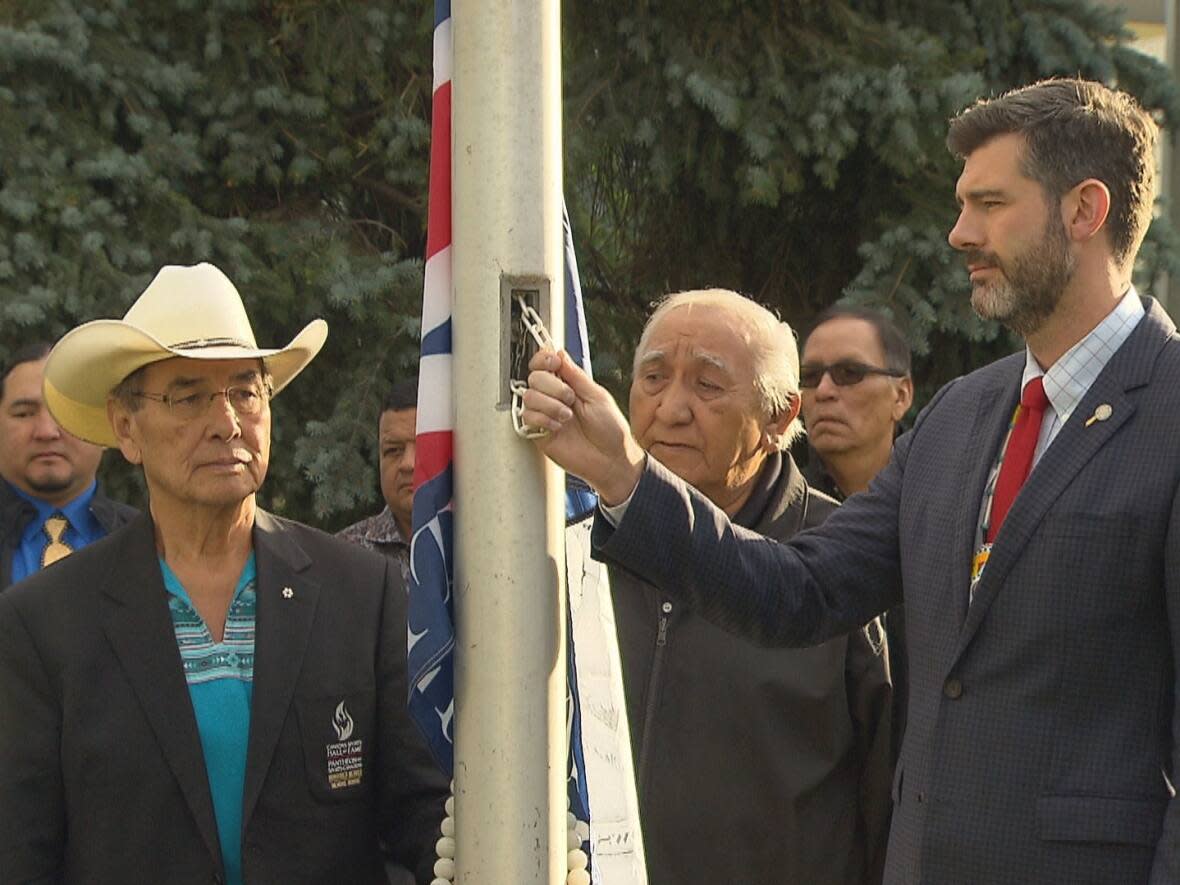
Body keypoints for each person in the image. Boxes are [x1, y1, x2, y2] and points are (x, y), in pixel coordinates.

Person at [522, 78, 1178, 884]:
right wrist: (626, 472)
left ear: (1085, 210)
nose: (958, 232)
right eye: (961, 203)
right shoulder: (959, 419)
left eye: (990, 203)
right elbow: (798, 587)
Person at [0, 263, 447, 884]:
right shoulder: (46, 622)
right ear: (126, 428)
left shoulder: (359, 593)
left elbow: (427, 818)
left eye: (245, 391)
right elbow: (22, 854)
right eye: (188, 396)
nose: (227, 421)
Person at [611, 288, 892, 885]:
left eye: (707, 386)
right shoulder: (582, 547)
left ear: (780, 418)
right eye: (653, 377)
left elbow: (892, 796)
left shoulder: (843, 564)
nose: (670, 409)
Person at [799, 306, 913, 759]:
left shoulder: (940, 505)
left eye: (849, 373)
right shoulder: (779, 521)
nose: (824, 391)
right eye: (810, 376)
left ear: (901, 395)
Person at [0, 342, 135, 588]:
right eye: (24, 414)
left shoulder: (150, 543)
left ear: (106, 427)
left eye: (65, 414)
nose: (47, 432)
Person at [338, 377, 417, 582]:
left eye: (424, 448)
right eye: (393, 450)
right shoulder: (341, 555)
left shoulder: (488, 547)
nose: (408, 464)